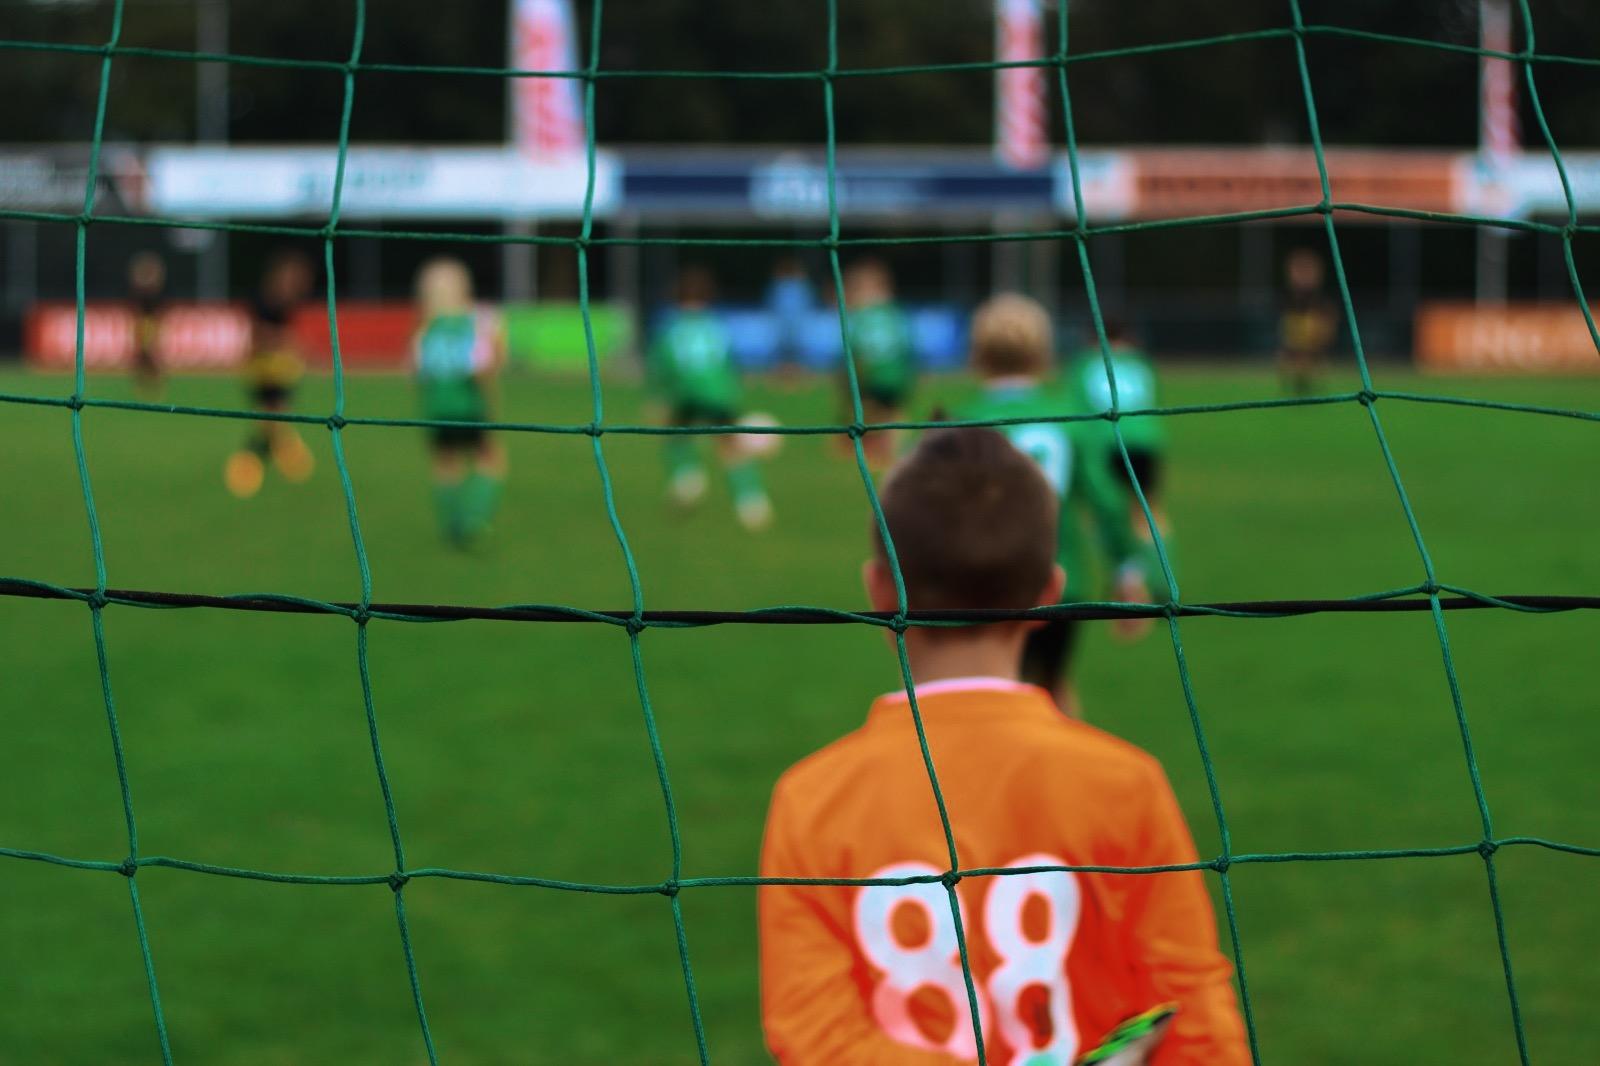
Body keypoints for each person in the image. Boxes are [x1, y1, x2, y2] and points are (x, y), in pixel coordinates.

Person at [758, 427, 1249, 1066]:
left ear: (879, 592)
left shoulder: (811, 800)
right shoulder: (1125, 784)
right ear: (1050, 594)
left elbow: (813, 1037)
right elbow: (1199, 1031)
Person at [953, 294, 1150, 717]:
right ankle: (1067, 780)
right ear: (1044, 355)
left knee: (996, 696)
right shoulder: (1069, 418)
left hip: (985, 584)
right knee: (1052, 689)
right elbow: (1106, 501)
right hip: (1061, 581)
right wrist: (1127, 572)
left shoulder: (957, 421)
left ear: (977, 355)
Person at [650, 265, 773, 531]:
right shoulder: (716, 325)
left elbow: (665, 363)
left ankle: (687, 476)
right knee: (731, 448)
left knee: (675, 432)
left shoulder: (671, 327)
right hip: (720, 392)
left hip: (687, 391)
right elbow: (729, 361)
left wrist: (659, 396)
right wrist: (734, 390)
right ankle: (751, 502)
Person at [1069, 318, 1174, 602]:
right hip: (1146, 439)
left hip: (1107, 443)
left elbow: (1078, 411)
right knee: (1149, 511)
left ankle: (1125, 578)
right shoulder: (1140, 362)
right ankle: (1162, 580)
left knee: (1105, 512)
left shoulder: (1086, 363)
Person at [412, 257, 507, 547]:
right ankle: (473, 519)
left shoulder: (428, 327)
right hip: (468, 404)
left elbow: (417, 371)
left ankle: (452, 526)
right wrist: (491, 403)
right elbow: (483, 367)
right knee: (492, 460)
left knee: (445, 463)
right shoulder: (476, 321)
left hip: (436, 406)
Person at [224, 249, 315, 498]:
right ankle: (252, 461)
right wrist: (285, 341)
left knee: (275, 417)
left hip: (278, 368)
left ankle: (277, 453)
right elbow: (256, 335)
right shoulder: (264, 300)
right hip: (263, 368)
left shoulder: (286, 302)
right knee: (271, 418)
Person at [842, 257, 915, 468]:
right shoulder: (895, 313)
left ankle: (874, 451)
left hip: (874, 375)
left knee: (867, 412)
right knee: (895, 415)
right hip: (896, 375)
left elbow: (857, 350)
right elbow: (907, 346)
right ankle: (898, 454)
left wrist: (853, 378)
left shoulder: (862, 317)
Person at [1276, 247, 1338, 396]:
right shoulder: (1289, 300)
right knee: (1286, 361)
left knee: (1308, 363)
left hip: (1312, 341)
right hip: (1296, 339)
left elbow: (1329, 322)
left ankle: (1310, 386)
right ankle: (1297, 387)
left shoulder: (1321, 302)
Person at [126, 251, 165, 398]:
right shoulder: (142, 289)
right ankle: (146, 382)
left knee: (149, 355)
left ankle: (155, 381)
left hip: (149, 323)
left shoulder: (151, 290)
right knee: (141, 356)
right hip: (143, 323)